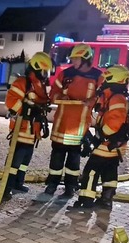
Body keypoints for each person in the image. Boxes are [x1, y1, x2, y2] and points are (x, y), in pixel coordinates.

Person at [44, 43, 103, 198]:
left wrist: (94, 100)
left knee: (74, 161)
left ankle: (70, 186)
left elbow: (103, 96)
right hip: (61, 125)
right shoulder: (66, 74)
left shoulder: (98, 76)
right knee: (56, 158)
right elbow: (53, 93)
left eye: (76, 59)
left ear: (85, 58)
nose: (73, 62)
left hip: (79, 127)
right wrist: (60, 97)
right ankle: (52, 184)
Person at [73, 66, 129, 210]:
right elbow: (100, 104)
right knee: (109, 172)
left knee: (91, 171)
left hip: (108, 143)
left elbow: (114, 124)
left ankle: (86, 201)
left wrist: (99, 139)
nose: (103, 81)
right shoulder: (113, 95)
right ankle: (106, 200)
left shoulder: (116, 98)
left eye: (106, 78)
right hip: (115, 145)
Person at [3, 52, 53, 200]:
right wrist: (28, 110)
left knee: (25, 161)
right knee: (14, 161)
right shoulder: (23, 82)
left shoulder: (40, 85)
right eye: (44, 71)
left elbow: (43, 102)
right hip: (21, 130)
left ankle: (19, 182)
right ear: (36, 68)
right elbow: (11, 102)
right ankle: (7, 188)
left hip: (33, 132)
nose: (45, 75)